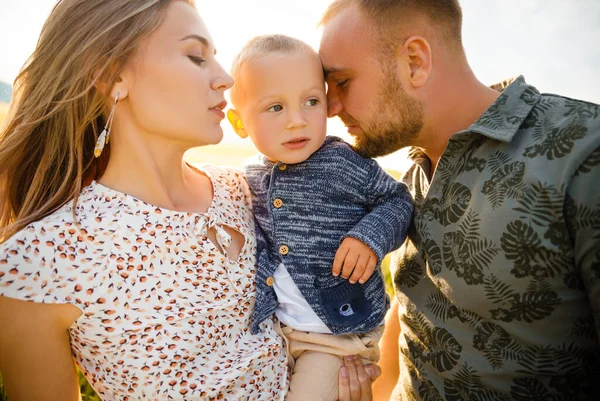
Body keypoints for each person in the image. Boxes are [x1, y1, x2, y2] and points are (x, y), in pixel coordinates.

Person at [0, 1, 375, 400]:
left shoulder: (245, 192)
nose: (226, 79)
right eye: (196, 57)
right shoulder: (39, 258)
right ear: (113, 77)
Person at [318, 0, 600, 400]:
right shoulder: (407, 181)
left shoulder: (583, 153)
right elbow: (417, 307)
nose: (329, 107)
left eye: (342, 82)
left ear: (414, 61)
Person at [226, 34, 414, 401]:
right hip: (278, 331)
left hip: (335, 335)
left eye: (311, 101)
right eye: (275, 107)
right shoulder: (248, 176)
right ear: (239, 123)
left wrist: (367, 237)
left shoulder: (340, 162)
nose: (297, 121)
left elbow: (397, 199)